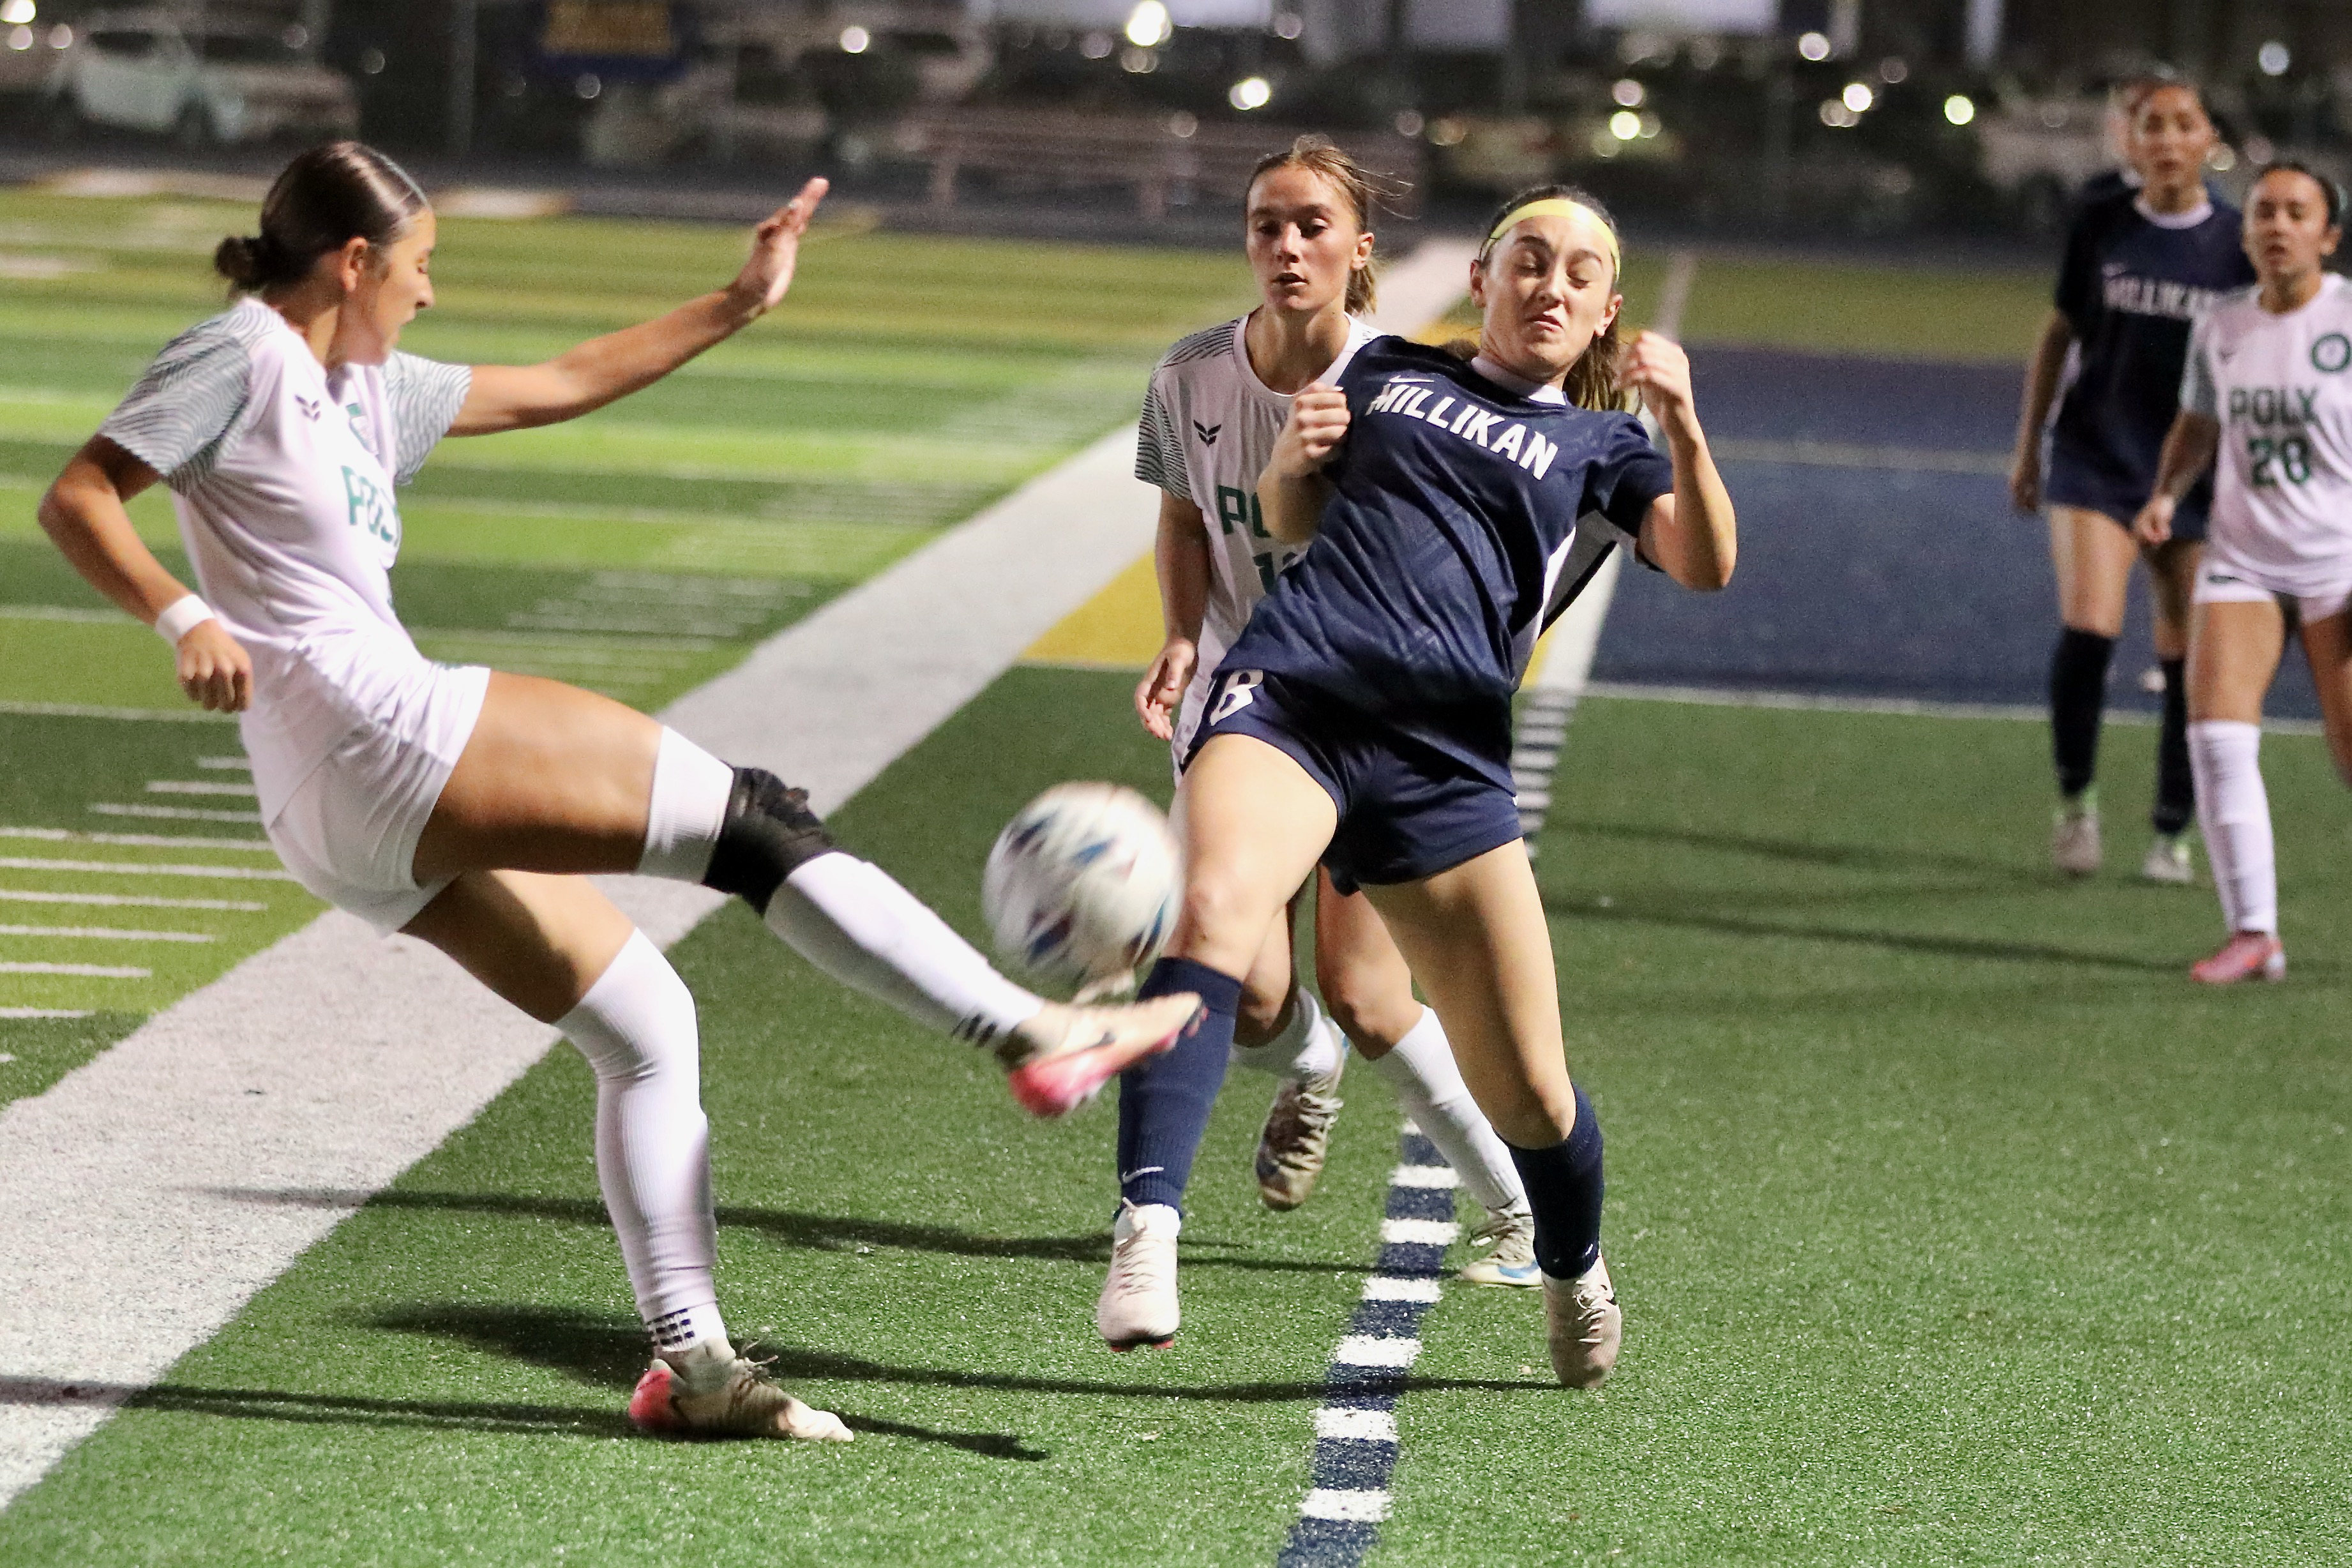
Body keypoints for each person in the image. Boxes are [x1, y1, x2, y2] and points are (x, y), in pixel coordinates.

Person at [35, 142, 1200, 1443]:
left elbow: (563, 383)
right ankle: (1029, 1033)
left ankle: (695, 1366)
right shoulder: (240, 355)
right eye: (418, 269)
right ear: (351, 262)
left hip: (337, 810)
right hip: (373, 729)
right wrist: (183, 611)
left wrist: (736, 304)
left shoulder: (360, 382)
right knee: (755, 822)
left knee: (645, 1017)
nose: (429, 294)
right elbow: (80, 492)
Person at [1120, 183, 1733, 1387]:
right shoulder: (1393, 367)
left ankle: (1570, 1262)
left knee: (1532, 1093)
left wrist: (1685, 430)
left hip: (1441, 758)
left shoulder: (1602, 444)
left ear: (1606, 310)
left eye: (1577, 272)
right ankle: (1147, 1227)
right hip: (1292, 692)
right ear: (1481, 279)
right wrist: (1294, 464)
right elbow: (1295, 521)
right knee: (1210, 918)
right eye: (1525, 260)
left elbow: (1702, 565)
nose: (1548, 284)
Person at [1109, 137, 1542, 1350]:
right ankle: (1300, 1063)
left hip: (1370, 706)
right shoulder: (1189, 377)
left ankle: (1518, 1212)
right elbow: (1184, 521)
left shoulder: (1406, 387)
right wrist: (1181, 638)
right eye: (1264, 226)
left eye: (1311, 226)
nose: (1285, 247)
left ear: (1361, 249)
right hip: (1246, 698)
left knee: (1364, 988)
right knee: (1244, 992)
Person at [2010, 80, 2256, 883]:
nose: (2168, 139)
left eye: (2185, 124)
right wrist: (2030, 445)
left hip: (2193, 471)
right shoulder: (2101, 223)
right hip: (2096, 455)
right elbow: (2059, 333)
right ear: (2133, 140)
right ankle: (2076, 804)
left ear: (2210, 139)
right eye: (2154, 125)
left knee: (2188, 655)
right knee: (2090, 629)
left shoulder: (2236, 241)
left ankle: (2170, 830)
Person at [2133, 162, 2352, 984]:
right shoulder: (2221, 326)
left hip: (2339, 563)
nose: (2278, 225)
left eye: (2299, 212)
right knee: (2217, 737)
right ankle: (2254, 932)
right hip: (2246, 558)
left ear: (2327, 235)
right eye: (2265, 210)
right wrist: (2165, 495)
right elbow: (2196, 426)